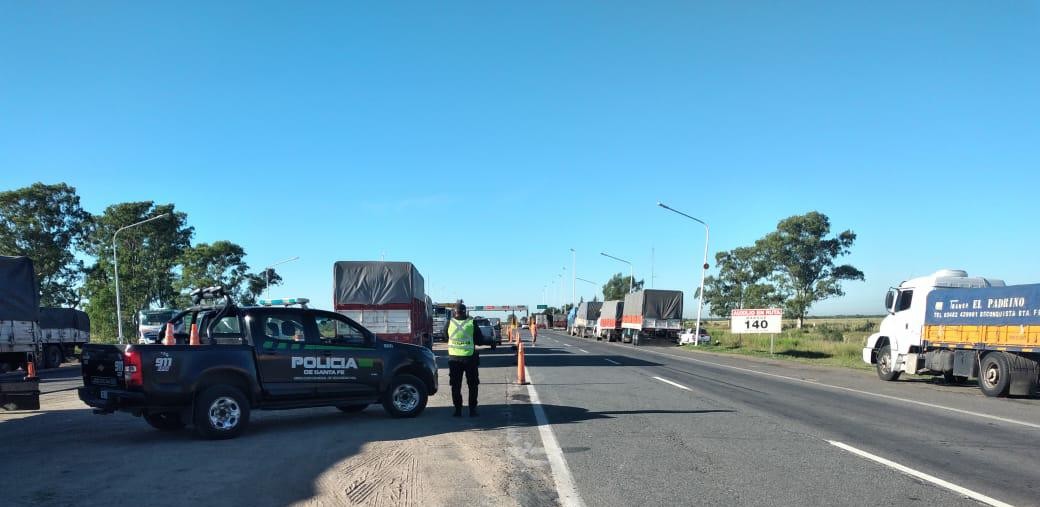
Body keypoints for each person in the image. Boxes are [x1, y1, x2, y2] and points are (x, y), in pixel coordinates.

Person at [447, 301, 485, 417]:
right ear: (465, 312)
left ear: (455, 312)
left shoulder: (449, 322)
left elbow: (444, 336)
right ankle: (472, 410)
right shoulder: (471, 322)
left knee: (455, 385)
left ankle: (457, 410)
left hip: (454, 359)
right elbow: (480, 340)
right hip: (470, 358)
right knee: (473, 385)